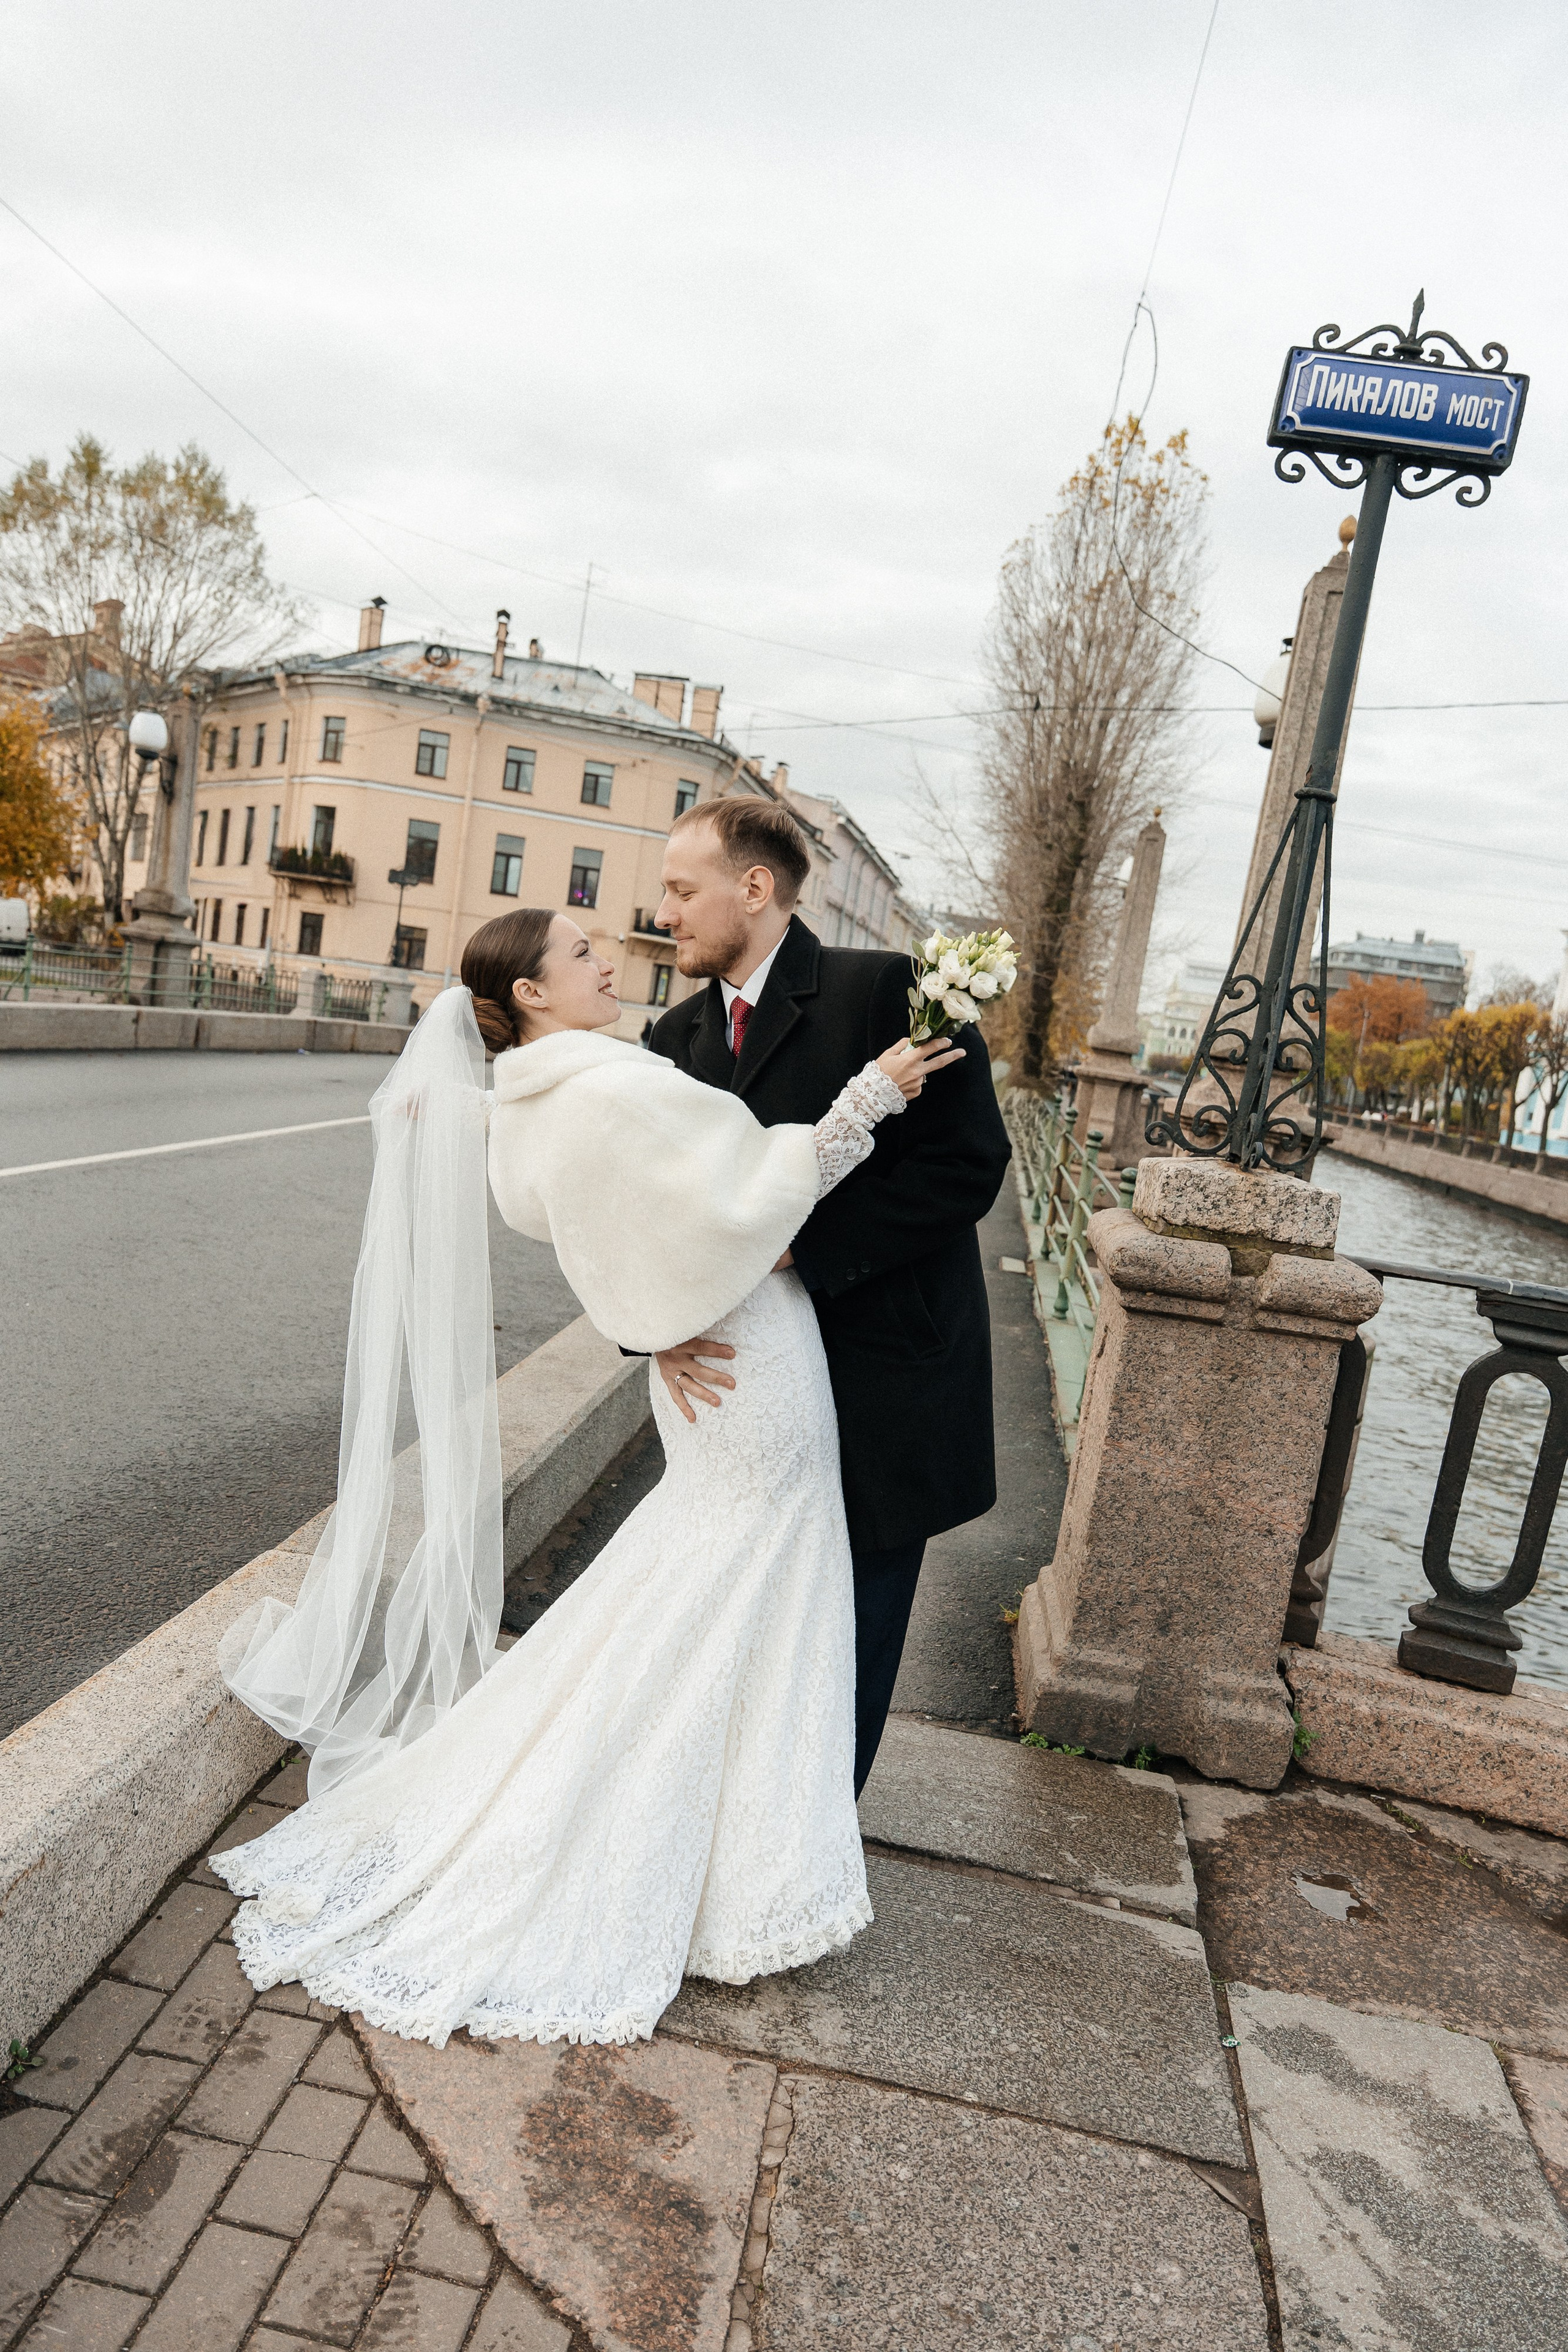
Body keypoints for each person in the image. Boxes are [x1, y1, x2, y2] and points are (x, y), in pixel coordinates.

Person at [213, 907, 962, 2050]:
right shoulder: (609, 1086)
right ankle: (703, 1860)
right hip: (751, 1360)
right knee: (746, 1585)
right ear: (530, 996)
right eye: (579, 953)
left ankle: (710, 1848)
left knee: (708, 1582)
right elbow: (754, 1194)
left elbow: (603, 1230)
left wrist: (652, 1320)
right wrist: (876, 1092)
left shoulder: (531, 1100)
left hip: (701, 1360)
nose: (609, 957)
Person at [646, 799, 1012, 1791]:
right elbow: (640, 1213)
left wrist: (796, 1249)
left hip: (883, 1382)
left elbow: (967, 1166)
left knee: (855, 1631)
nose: (663, 911)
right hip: (745, 1399)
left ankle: (812, 1848)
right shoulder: (671, 1039)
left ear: (754, 889)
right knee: (743, 1622)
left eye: (682, 890)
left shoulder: (885, 993)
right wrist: (652, 1335)